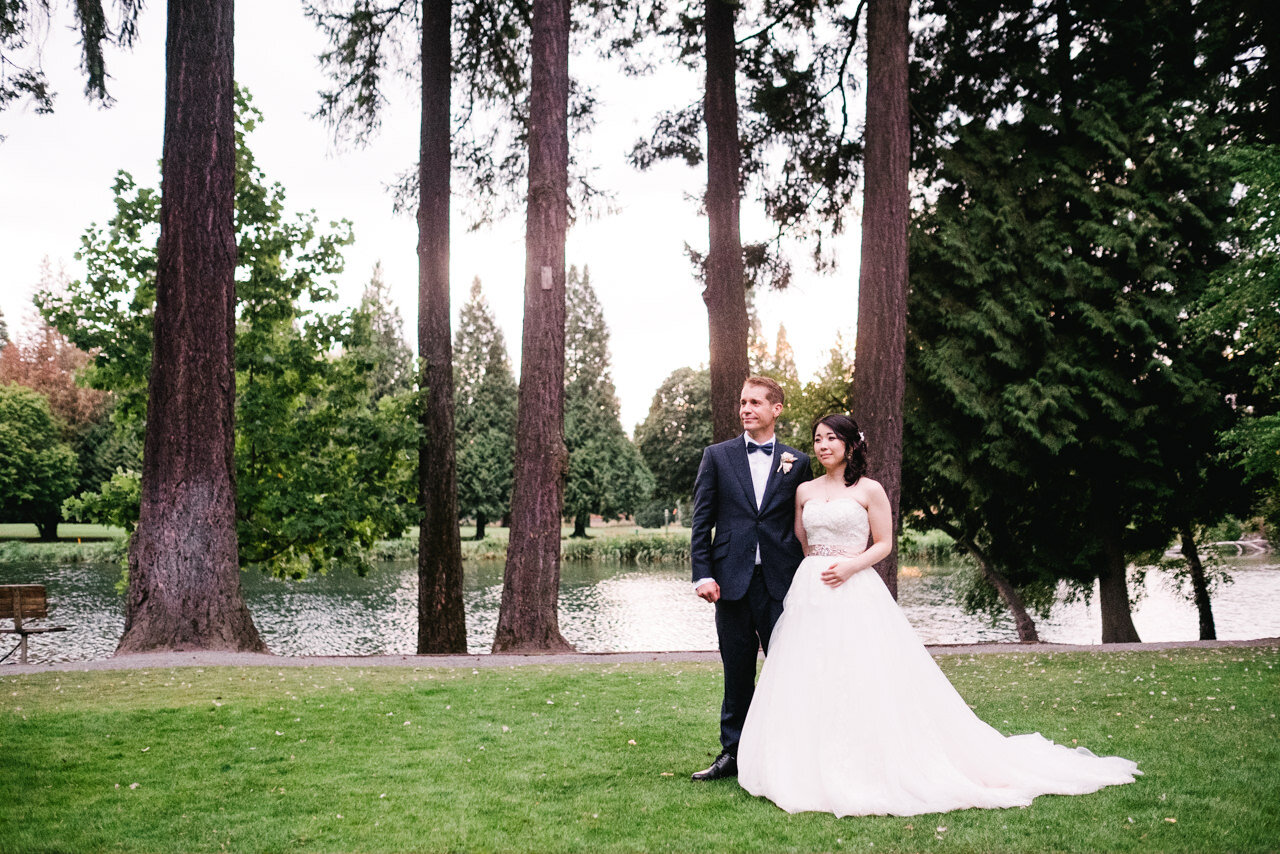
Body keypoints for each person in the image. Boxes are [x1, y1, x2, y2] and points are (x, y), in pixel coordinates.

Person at [736, 413, 1141, 816]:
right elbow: (803, 539)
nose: (823, 446)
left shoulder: (869, 489)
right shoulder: (804, 489)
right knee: (810, 671)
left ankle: (873, 759)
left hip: (854, 585)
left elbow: (884, 544)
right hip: (811, 589)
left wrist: (849, 565)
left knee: (862, 670)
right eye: (818, 439)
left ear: (849, 444)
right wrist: (818, 568)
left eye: (831, 439)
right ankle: (804, 762)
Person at [689, 376, 812, 781]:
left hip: (782, 582)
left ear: (776, 409)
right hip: (730, 582)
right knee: (737, 669)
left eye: (756, 402)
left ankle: (789, 750)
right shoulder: (717, 456)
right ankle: (733, 754)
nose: (746, 409)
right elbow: (701, 521)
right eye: (743, 402)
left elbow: (804, 522)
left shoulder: (799, 462)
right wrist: (703, 574)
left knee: (787, 668)